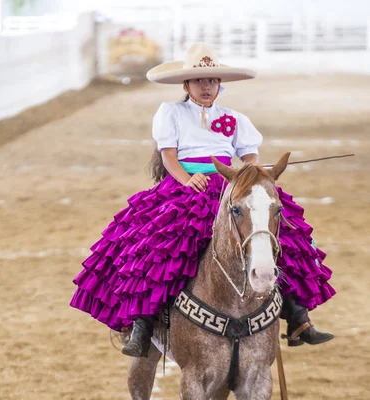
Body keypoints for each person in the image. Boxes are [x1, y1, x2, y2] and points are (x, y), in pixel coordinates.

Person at [70, 43, 335, 357]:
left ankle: (297, 315)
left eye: (212, 81)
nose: (207, 86)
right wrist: (187, 179)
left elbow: (249, 154)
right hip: (186, 188)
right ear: (186, 85)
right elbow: (168, 156)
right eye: (199, 81)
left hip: (230, 186)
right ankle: (142, 324)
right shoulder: (171, 113)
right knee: (155, 245)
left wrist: (248, 172)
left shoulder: (234, 117)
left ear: (219, 85)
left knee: (285, 231)